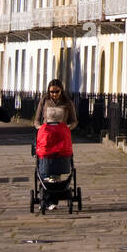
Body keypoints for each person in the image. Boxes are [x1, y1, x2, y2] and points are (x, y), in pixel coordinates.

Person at [33, 80, 76, 211]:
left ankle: (53, 200)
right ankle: (44, 197)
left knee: (57, 168)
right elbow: (36, 119)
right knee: (44, 168)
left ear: (61, 90)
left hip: (61, 137)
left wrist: (68, 128)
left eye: (57, 91)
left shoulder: (67, 103)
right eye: (51, 92)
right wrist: (40, 128)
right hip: (46, 137)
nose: (54, 94)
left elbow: (74, 121)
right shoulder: (44, 101)